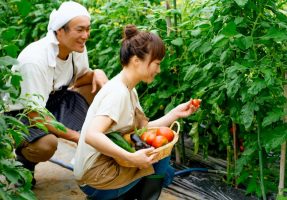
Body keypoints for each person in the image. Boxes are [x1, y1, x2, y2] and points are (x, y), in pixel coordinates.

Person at [73, 24, 200, 200]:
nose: (159, 69)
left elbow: (142, 130)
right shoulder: (118, 93)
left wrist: (175, 114)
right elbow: (92, 135)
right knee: (160, 160)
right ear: (136, 60)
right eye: (156, 63)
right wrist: (131, 158)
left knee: (167, 171)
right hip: (96, 176)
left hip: (99, 168)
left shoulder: (128, 88)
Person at [6, 1, 108, 186]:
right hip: (21, 114)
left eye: (88, 29)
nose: (85, 35)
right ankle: (24, 161)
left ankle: (105, 148)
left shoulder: (76, 48)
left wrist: (98, 73)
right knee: (46, 144)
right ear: (60, 31)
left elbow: (81, 78)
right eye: (80, 30)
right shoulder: (34, 60)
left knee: (101, 88)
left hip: (53, 99)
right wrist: (78, 138)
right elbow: (35, 114)